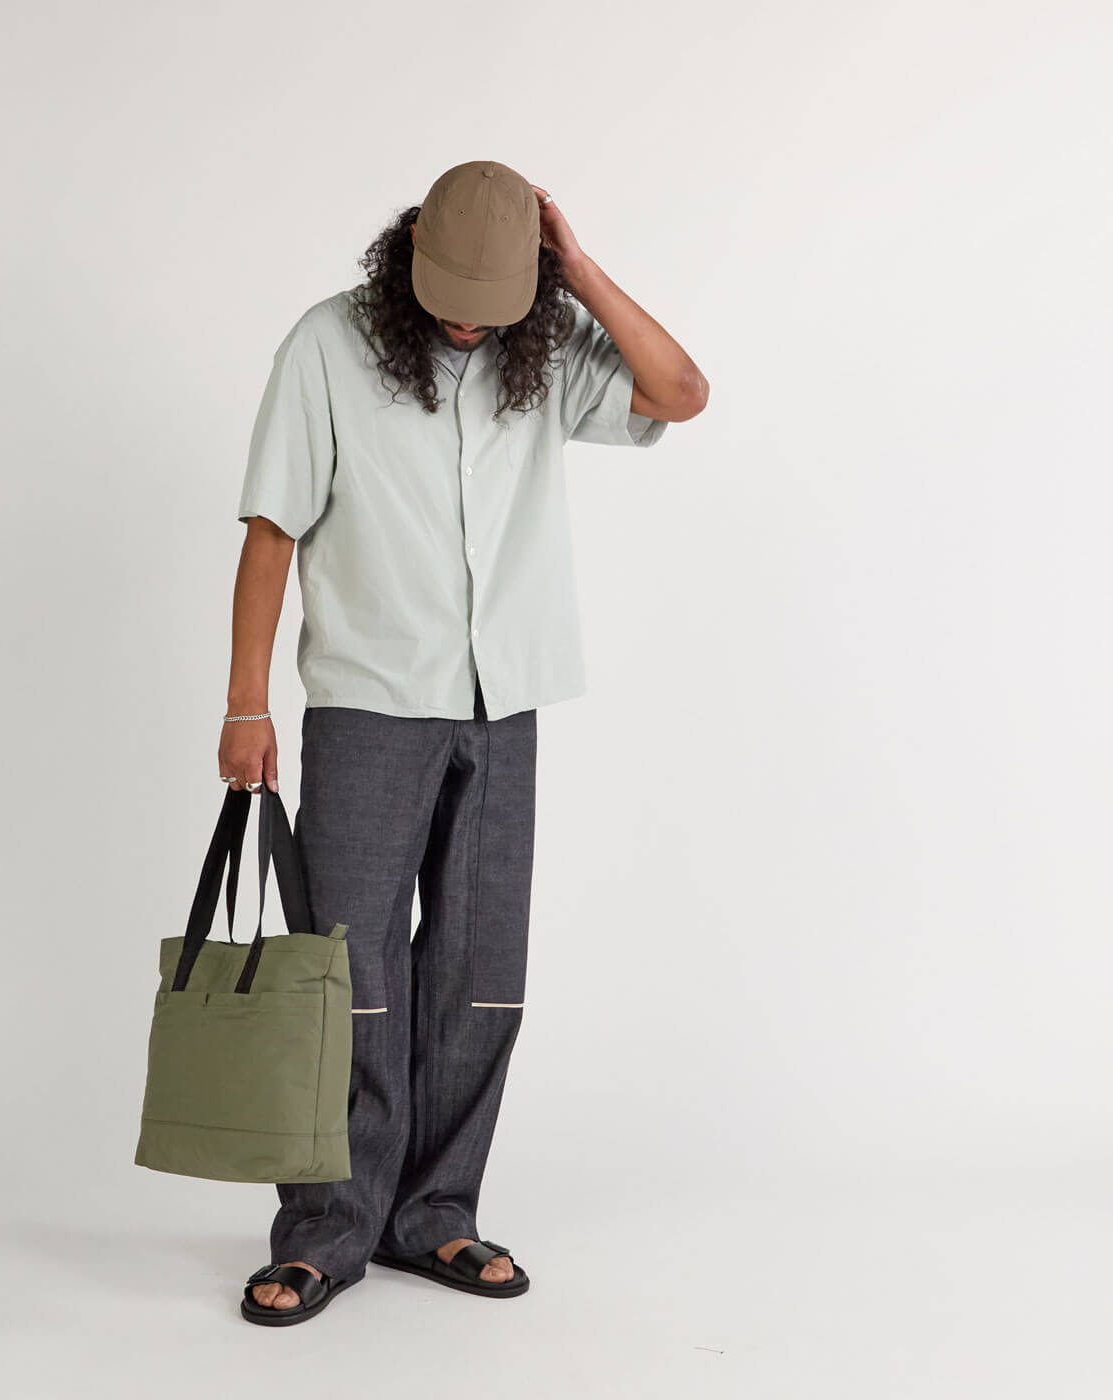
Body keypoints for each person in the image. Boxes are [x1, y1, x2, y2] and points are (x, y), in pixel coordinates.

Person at [221, 160, 708, 1326]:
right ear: (405, 254)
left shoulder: (538, 350)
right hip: (369, 698)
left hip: (507, 699)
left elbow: (680, 391)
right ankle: (328, 1229)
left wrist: (576, 269)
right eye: (448, 291)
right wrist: (245, 702)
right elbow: (270, 526)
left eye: (494, 299)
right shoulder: (326, 346)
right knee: (350, 973)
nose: (464, 318)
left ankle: (433, 1211)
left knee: (478, 974)